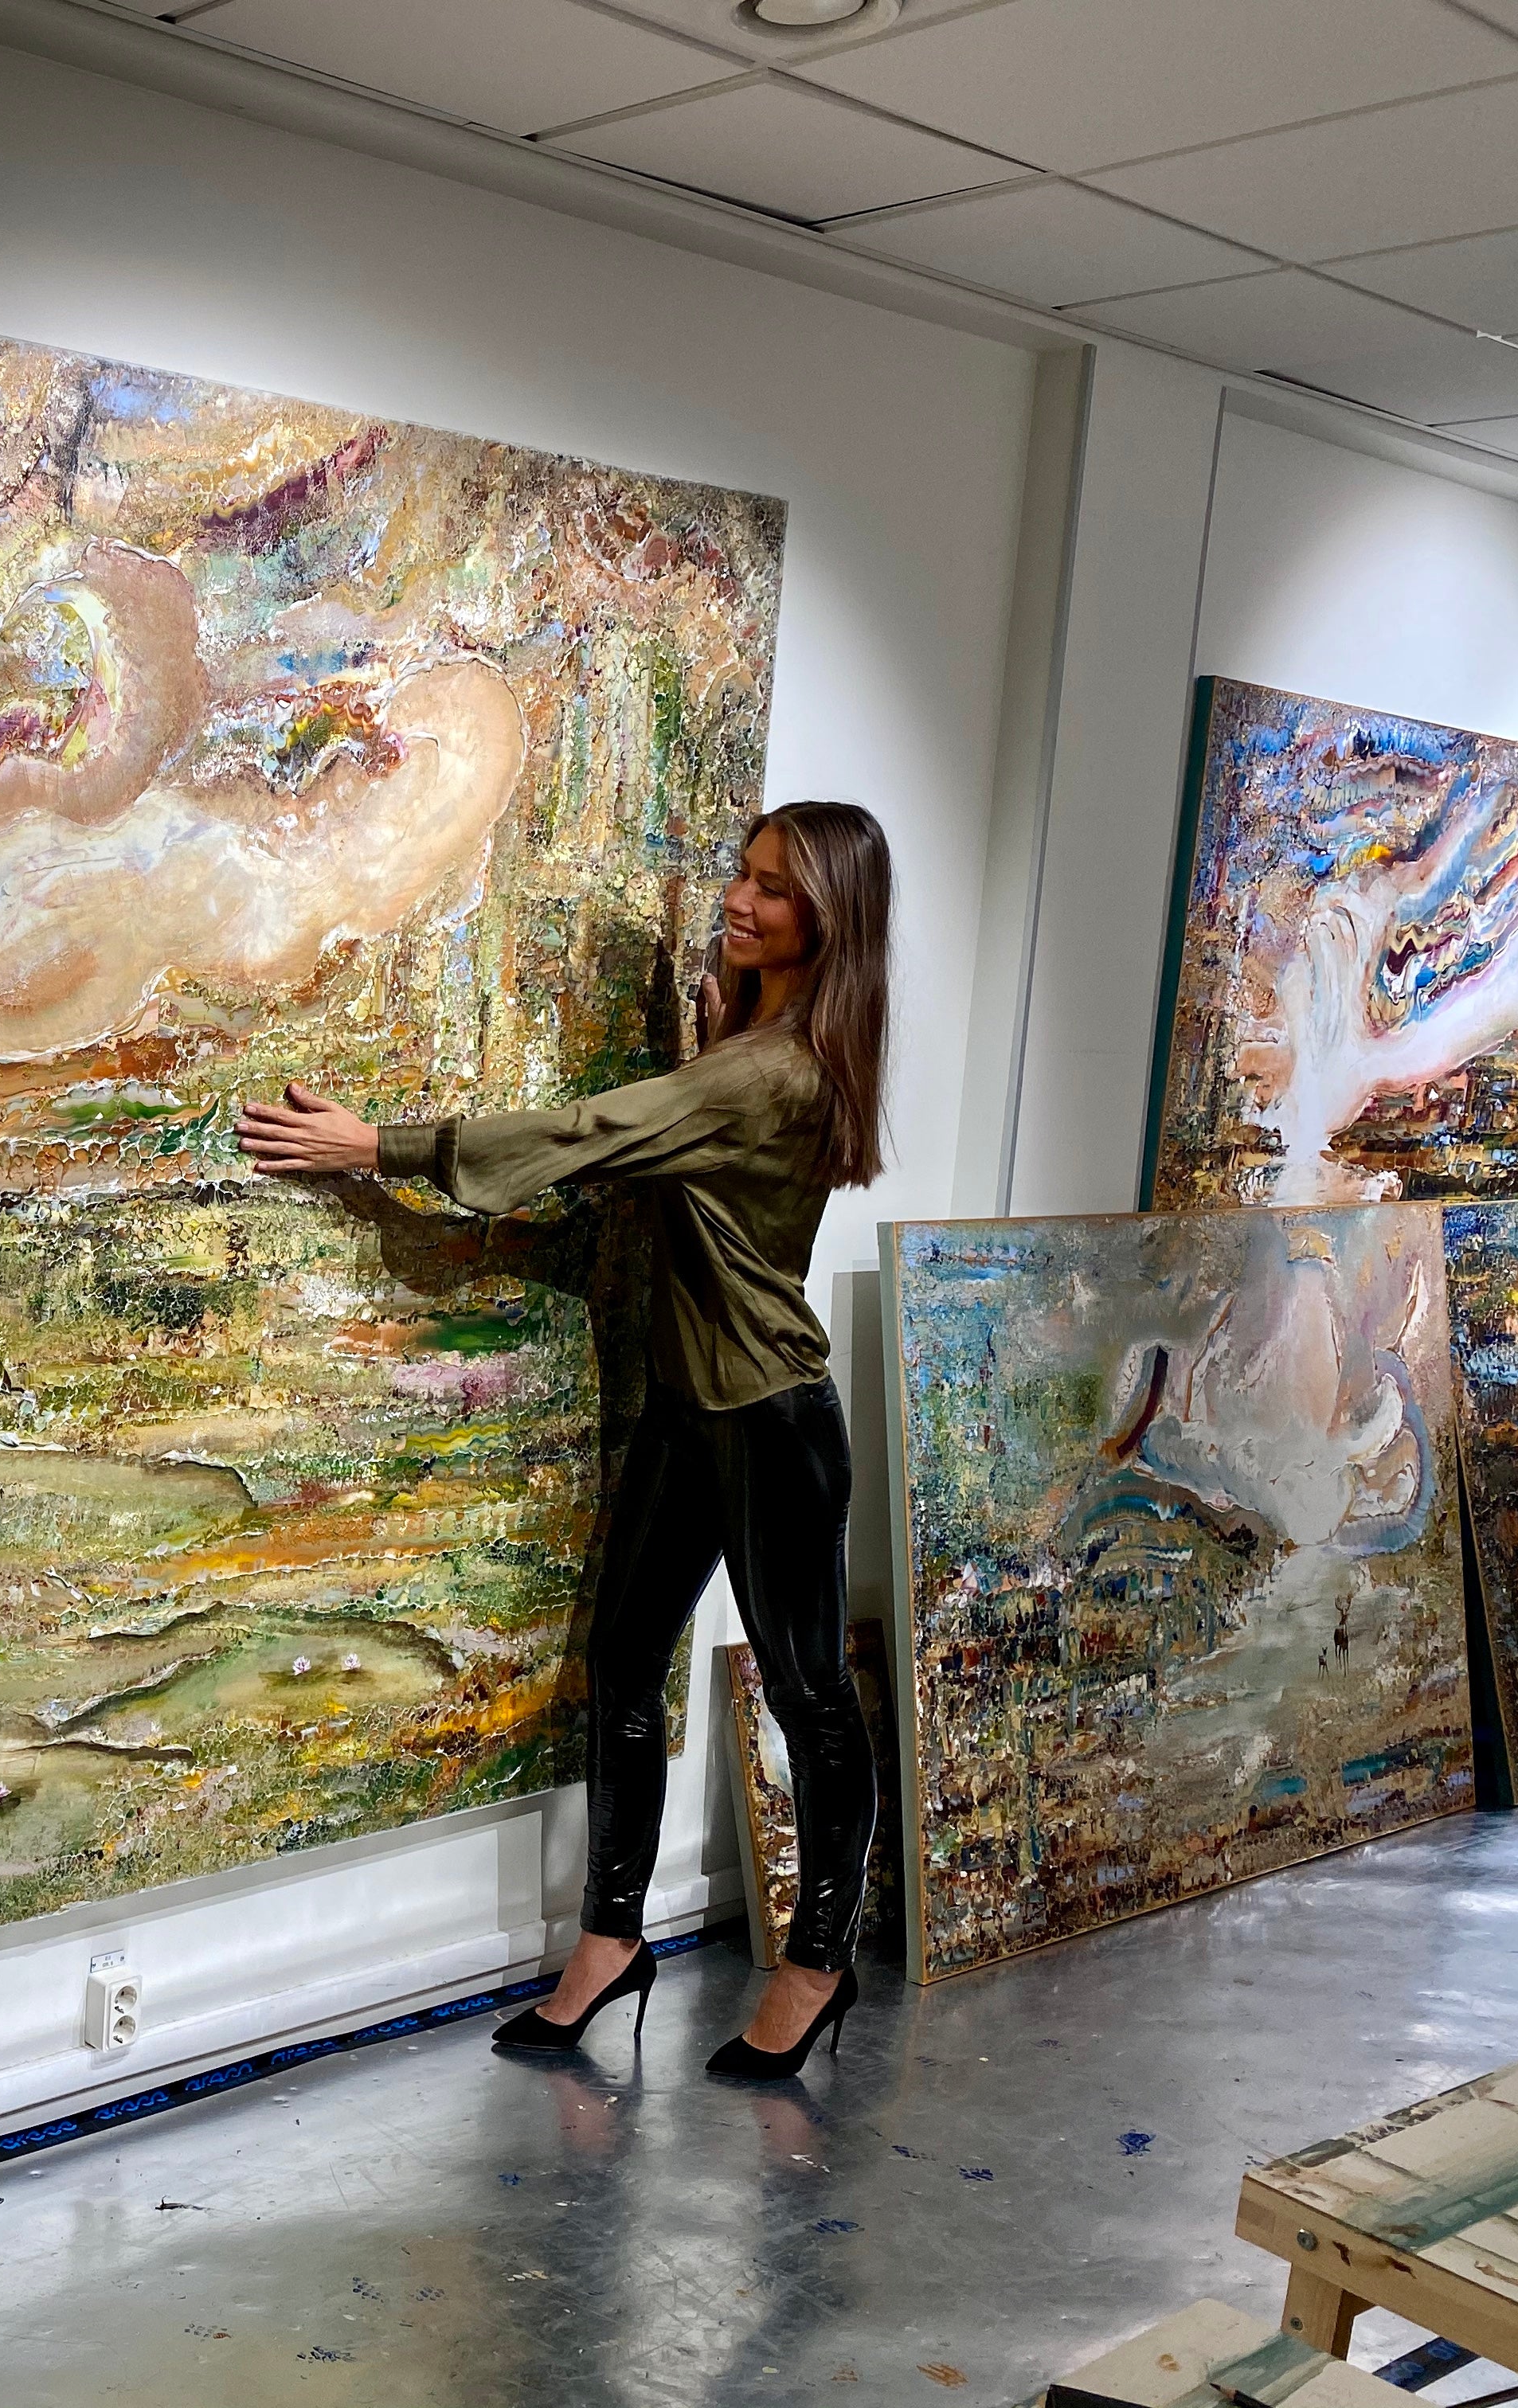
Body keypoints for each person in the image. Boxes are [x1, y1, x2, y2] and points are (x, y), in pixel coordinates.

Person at [237, 800, 890, 2082]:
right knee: (623, 1662)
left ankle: (818, 1964)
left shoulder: (770, 1072)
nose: (740, 900)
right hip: (692, 1409)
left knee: (810, 1695)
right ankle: (610, 1941)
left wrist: (377, 1145)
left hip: (769, 1420)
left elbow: (589, 1137)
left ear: (829, 919)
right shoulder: (756, 1048)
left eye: (774, 890)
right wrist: (715, 1034)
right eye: (744, 875)